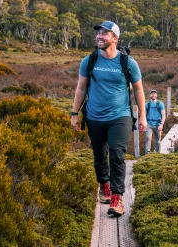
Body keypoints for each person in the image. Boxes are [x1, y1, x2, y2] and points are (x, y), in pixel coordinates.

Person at [71, 21, 147, 217]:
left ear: (115, 38)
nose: (100, 36)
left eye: (105, 33)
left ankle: (117, 197)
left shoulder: (127, 62)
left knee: (116, 153)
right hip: (94, 116)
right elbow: (81, 88)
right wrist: (74, 113)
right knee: (99, 154)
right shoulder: (90, 60)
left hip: (120, 116)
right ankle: (104, 184)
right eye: (99, 33)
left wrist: (142, 117)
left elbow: (138, 89)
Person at [144, 89, 166, 154]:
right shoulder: (147, 104)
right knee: (148, 138)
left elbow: (164, 115)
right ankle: (147, 155)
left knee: (158, 141)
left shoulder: (160, 104)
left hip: (158, 124)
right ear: (150, 95)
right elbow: (144, 115)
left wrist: (161, 124)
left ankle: (157, 154)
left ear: (156, 95)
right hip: (149, 124)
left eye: (154, 93)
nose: (153, 95)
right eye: (152, 93)